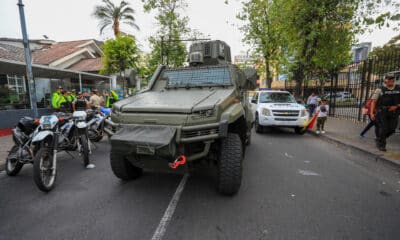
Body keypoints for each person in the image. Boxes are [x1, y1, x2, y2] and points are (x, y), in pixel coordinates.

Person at [370, 74, 400, 151]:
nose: (390, 81)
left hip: (394, 112)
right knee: (384, 128)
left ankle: (379, 139)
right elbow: (373, 102)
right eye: (388, 79)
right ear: (385, 80)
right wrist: (371, 113)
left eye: (392, 79)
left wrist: (396, 106)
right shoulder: (380, 89)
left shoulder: (398, 88)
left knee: (392, 129)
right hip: (382, 112)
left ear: (394, 80)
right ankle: (382, 145)